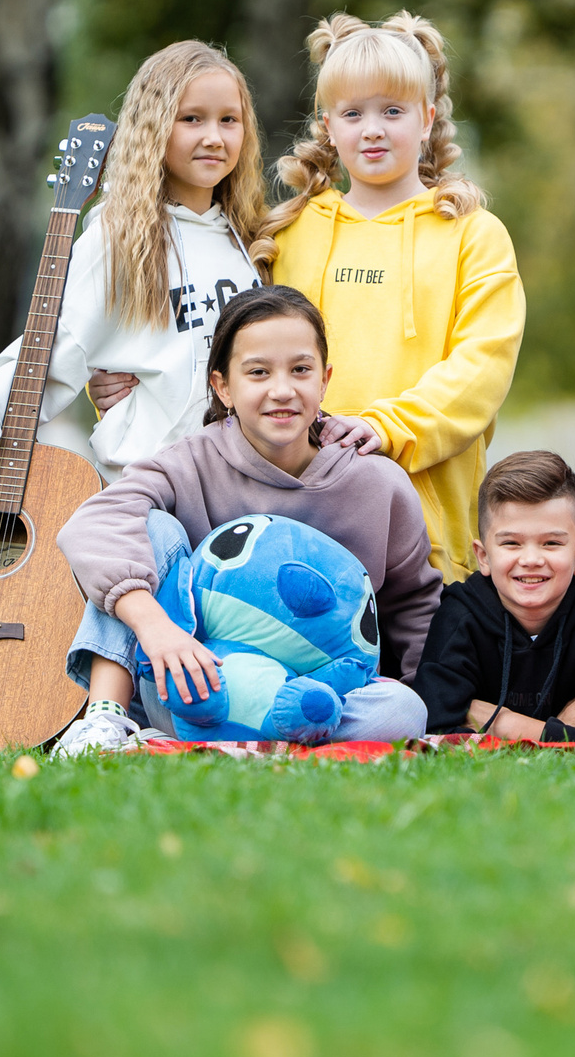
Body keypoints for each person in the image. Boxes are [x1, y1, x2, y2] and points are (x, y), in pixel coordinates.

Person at [0, 41, 269, 540]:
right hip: (155, 496)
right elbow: (47, 351)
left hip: (242, 486)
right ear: (153, 127)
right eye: (192, 119)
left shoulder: (245, 237)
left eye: (229, 120)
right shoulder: (122, 237)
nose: (213, 137)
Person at [50, 286, 438, 757]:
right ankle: (107, 719)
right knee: (150, 527)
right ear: (223, 386)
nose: (282, 390)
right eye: (258, 372)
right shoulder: (191, 461)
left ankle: (254, 738)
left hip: (313, 697)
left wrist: (437, 710)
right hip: (192, 687)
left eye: (300, 370)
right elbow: (93, 523)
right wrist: (155, 625)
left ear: (325, 379)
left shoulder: (379, 484)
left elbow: (416, 604)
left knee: (401, 710)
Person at [252, 13, 524, 585]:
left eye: (392, 111)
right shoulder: (288, 235)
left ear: (427, 118)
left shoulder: (473, 234)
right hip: (293, 524)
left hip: (425, 535)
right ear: (328, 125)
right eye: (353, 114)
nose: (372, 129)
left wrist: (388, 427)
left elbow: (483, 367)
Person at [410, 452, 575, 740]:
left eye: (551, 543)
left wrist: (501, 723)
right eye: (511, 543)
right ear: (483, 556)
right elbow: (434, 724)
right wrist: (559, 730)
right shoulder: (459, 615)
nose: (531, 559)